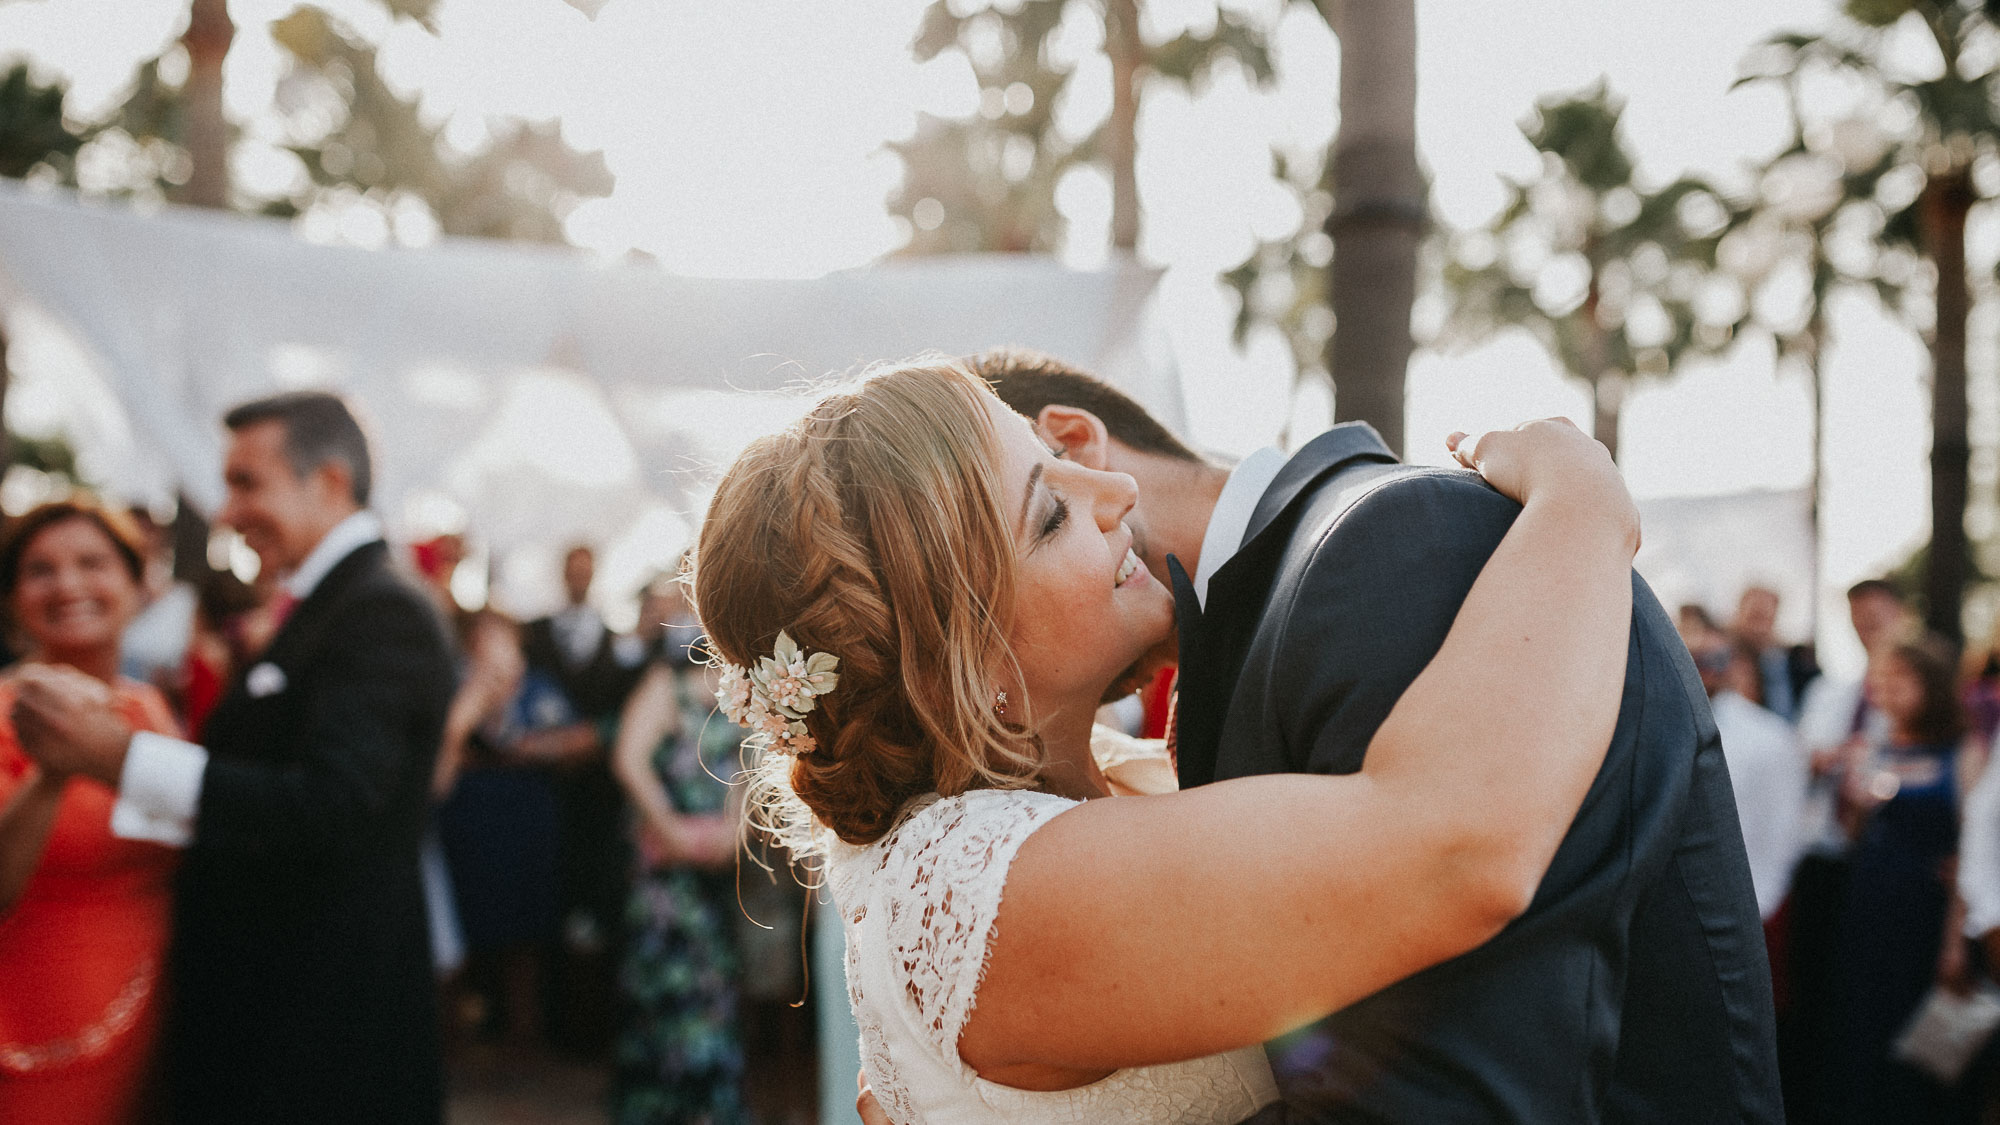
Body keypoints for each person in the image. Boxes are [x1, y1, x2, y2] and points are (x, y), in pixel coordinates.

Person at [693, 359, 1641, 1123]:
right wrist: (1581, 505)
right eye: (1051, 513)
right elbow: (1460, 846)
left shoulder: (1073, 800)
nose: (1113, 486)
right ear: (965, 676)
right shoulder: (974, 885)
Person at [978, 349, 1779, 1121]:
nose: (1108, 493)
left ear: (1076, 442)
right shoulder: (1292, 597)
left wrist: (1585, 497)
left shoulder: (1397, 542)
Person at [10, 391, 457, 1124]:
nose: (227, 510)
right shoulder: (327, 606)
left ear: (330, 482)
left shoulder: (381, 608)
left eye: (248, 482)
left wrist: (124, 759)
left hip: (322, 1030)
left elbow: (334, 803)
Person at [0, 499, 180, 1125]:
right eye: (40, 570)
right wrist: (54, 769)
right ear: (15, 597)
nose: (69, 585)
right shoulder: (2, 713)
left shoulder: (151, 709)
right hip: (39, 1033)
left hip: (157, 1015)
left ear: (137, 584)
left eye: (93, 563)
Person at [609, 618, 744, 1124]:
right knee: (664, 989)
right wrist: (667, 829)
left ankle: (710, 1108)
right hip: (665, 874)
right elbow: (629, 759)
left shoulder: (747, 695)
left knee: (714, 988)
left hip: (714, 868)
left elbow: (749, 771)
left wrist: (735, 832)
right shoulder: (666, 686)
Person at [1831, 635, 1969, 1124]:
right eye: (1883, 681)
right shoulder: (1878, 747)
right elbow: (1853, 834)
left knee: (1916, 1033)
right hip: (1869, 903)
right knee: (1864, 1022)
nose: (1887, 690)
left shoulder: (1962, 753)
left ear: (1930, 685)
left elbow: (1967, 852)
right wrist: (1854, 796)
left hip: (1923, 912)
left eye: (1901, 680)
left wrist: (1954, 940)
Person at [1693, 635, 1807, 918]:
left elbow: (1784, 825)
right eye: (1693, 658)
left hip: (1745, 904)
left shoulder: (1770, 736)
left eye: (1714, 660)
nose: (1702, 668)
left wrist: (1758, 903)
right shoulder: (1650, 725)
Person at [1731, 584, 1820, 722]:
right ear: (1739, 614)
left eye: (1765, 618)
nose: (1759, 628)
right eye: (1754, 617)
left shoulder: (1796, 660)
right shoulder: (1727, 662)